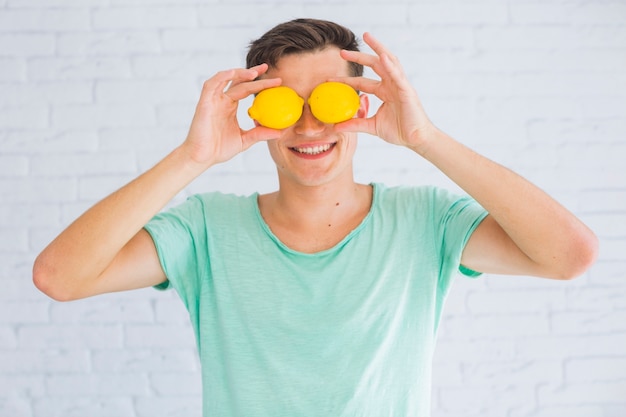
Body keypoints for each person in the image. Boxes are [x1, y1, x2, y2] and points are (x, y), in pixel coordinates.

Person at [33, 18, 598, 417]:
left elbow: (571, 256)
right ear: (255, 111)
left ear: (361, 104)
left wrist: (424, 138)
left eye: (327, 100)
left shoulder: (426, 220)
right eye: (287, 106)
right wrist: (194, 156)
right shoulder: (204, 229)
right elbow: (59, 277)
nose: (308, 128)